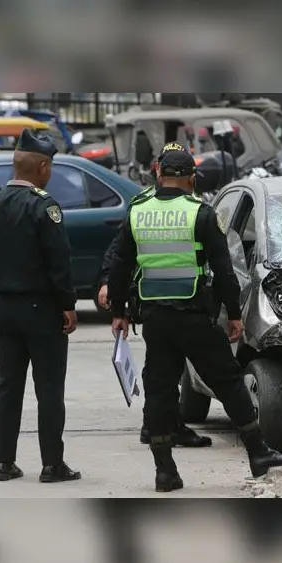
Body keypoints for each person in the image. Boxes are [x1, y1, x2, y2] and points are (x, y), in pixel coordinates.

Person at [109, 149, 282, 492]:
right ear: (192, 178)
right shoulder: (201, 214)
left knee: (159, 391)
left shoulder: (138, 212)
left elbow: (120, 266)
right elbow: (224, 271)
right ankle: (258, 453)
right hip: (194, 317)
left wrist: (118, 312)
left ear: (158, 174)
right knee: (228, 382)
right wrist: (235, 315)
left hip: (156, 320)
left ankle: (164, 471)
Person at [0, 128, 81, 484]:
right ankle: (52, 465)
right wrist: (68, 304)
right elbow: (59, 261)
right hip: (42, 310)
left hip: (4, 307)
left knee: (7, 385)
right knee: (49, 388)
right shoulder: (44, 206)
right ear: (43, 167)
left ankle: (3, 463)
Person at [98, 142, 212, 449]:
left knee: (167, 368)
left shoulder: (194, 202)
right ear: (159, 170)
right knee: (161, 369)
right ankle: (157, 425)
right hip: (154, 296)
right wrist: (109, 284)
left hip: (178, 296)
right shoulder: (143, 204)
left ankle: (168, 424)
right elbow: (119, 252)